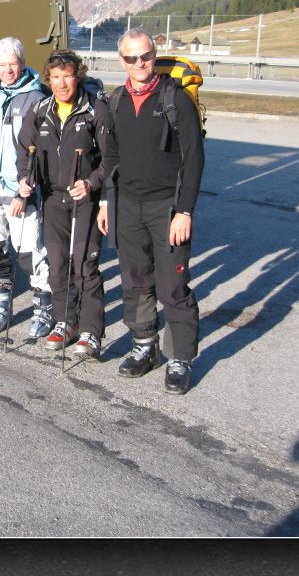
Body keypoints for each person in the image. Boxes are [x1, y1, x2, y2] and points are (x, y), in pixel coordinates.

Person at [97, 27, 205, 394]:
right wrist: (103, 201)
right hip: (126, 205)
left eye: (145, 56)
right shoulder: (115, 101)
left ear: (154, 55)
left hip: (167, 207)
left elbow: (194, 160)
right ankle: (145, 346)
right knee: (135, 280)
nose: (139, 63)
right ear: (121, 61)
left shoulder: (175, 99)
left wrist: (184, 211)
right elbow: (110, 156)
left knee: (173, 286)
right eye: (131, 58)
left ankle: (179, 358)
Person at [16, 51, 112, 356]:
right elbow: (24, 149)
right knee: (57, 266)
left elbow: (112, 160)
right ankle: (64, 321)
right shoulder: (41, 110)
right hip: (53, 200)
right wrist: (24, 178)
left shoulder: (95, 110)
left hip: (85, 199)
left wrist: (92, 183)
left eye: (67, 76)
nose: (61, 83)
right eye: (55, 77)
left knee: (85, 266)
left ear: (78, 76)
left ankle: (91, 331)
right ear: (49, 79)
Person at [0, 37, 53, 338]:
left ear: (22, 63)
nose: (8, 70)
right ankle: (2, 305)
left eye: (13, 63)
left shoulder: (35, 98)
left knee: (29, 253)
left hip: (18, 192)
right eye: (2, 64)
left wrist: (26, 190)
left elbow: (40, 149)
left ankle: (42, 307)